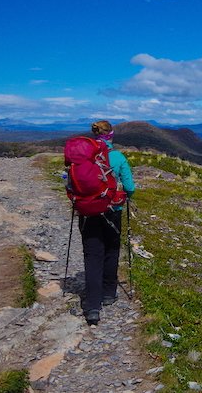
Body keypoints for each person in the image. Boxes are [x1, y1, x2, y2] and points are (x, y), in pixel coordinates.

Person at [80, 120, 135, 326]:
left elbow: (71, 182)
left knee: (92, 254)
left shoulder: (83, 157)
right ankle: (109, 293)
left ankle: (92, 305)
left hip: (87, 212)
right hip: (112, 211)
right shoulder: (118, 157)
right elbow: (130, 186)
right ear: (111, 135)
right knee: (111, 250)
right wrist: (126, 195)